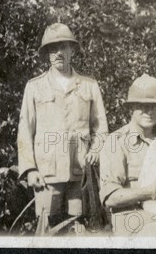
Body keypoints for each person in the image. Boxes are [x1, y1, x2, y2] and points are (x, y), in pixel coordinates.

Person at [17, 23, 108, 235]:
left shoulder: (89, 85)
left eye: (64, 47)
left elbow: (101, 126)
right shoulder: (34, 86)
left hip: (81, 175)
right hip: (46, 175)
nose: (58, 52)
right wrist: (30, 169)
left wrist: (96, 150)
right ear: (47, 53)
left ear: (72, 50)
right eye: (53, 48)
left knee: (79, 228)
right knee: (47, 229)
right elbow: (24, 131)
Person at [99, 74, 156, 236]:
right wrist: (151, 191)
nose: (149, 111)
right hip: (133, 219)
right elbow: (110, 198)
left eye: (155, 106)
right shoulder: (117, 142)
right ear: (131, 108)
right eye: (142, 105)